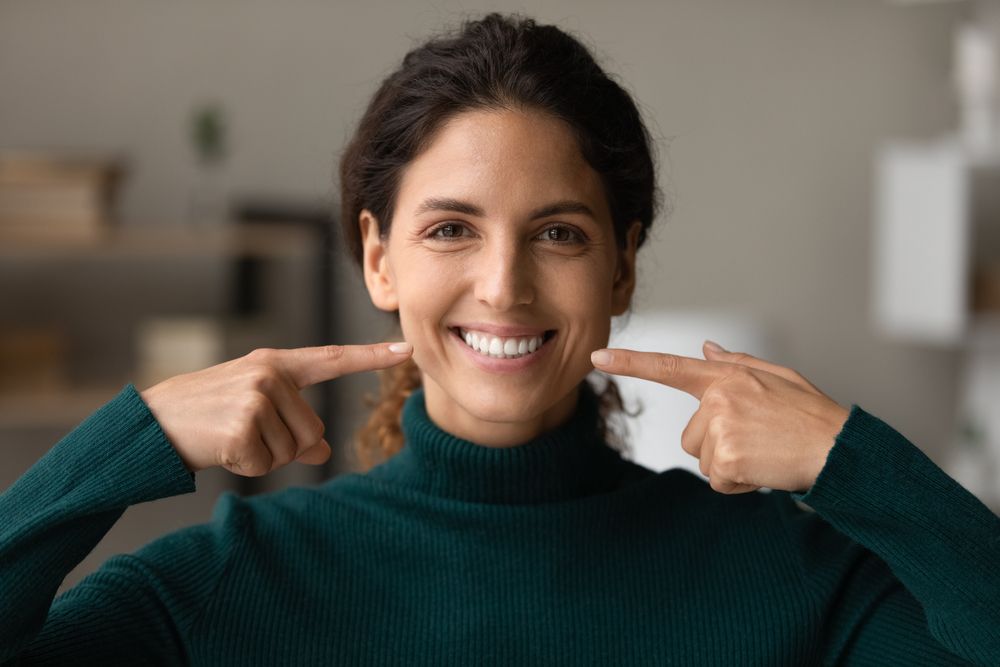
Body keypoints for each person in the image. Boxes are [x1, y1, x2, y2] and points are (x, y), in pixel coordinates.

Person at [1, 12, 998, 666]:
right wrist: (133, 438)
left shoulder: (787, 576)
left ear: (620, 266)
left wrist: (849, 458)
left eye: (558, 233)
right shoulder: (234, 583)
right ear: (379, 259)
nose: (503, 285)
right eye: (450, 229)